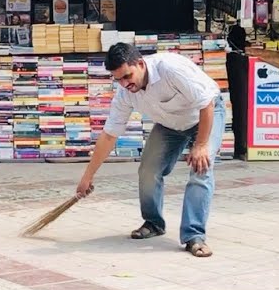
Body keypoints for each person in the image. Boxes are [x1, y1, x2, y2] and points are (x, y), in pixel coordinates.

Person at [76, 42, 224, 257]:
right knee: (147, 170)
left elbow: (206, 103)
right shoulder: (124, 93)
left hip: (204, 114)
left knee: (201, 169)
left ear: (140, 63)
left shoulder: (170, 68)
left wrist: (201, 145)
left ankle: (194, 236)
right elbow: (109, 135)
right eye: (118, 79)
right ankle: (154, 223)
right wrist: (87, 176)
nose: (124, 83)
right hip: (170, 125)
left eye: (127, 76)